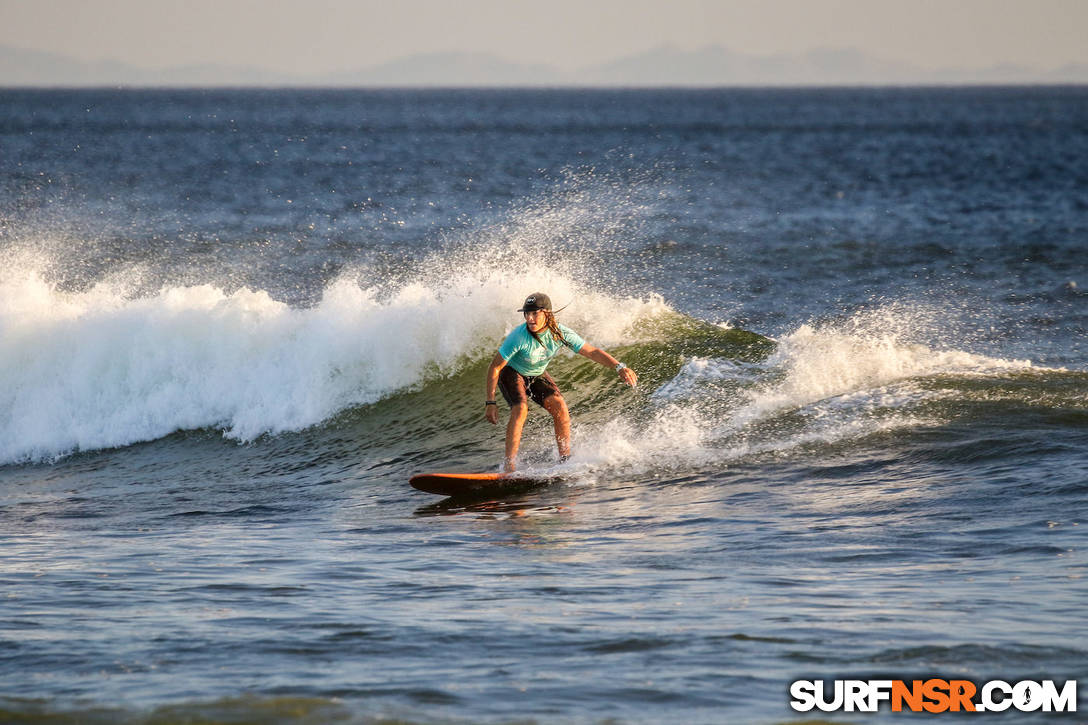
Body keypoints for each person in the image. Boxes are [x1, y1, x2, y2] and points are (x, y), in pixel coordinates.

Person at [485, 292, 638, 471]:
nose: (530, 318)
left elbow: (591, 351)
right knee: (520, 409)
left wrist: (619, 367)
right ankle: (509, 466)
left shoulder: (559, 332)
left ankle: (565, 459)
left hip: (537, 373)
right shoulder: (518, 337)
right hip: (511, 373)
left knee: (560, 407)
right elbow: (495, 367)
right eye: (527, 313)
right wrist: (490, 401)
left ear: (547, 314)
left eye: (535, 313)